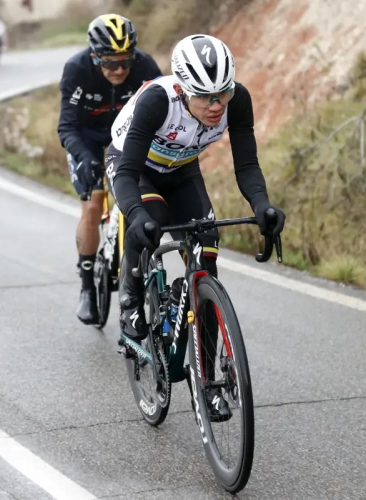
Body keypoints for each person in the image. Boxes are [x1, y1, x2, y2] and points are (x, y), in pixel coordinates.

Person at [106, 33, 286, 421]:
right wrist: (135, 216)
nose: (216, 105)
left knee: (207, 249)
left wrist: (262, 206)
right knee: (148, 221)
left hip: (181, 168)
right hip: (133, 168)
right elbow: (126, 172)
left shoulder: (237, 102)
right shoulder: (158, 101)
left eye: (222, 93)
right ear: (184, 88)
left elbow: (247, 166)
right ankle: (130, 299)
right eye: (205, 97)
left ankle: (207, 383)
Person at [57, 14, 162, 325]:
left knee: (140, 198)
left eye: (125, 62)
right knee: (93, 205)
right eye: (109, 63)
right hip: (88, 140)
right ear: (94, 56)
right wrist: (84, 157)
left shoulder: (145, 68)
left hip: (130, 137)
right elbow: (67, 127)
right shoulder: (77, 69)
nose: (118, 70)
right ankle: (87, 287)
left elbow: (163, 113)